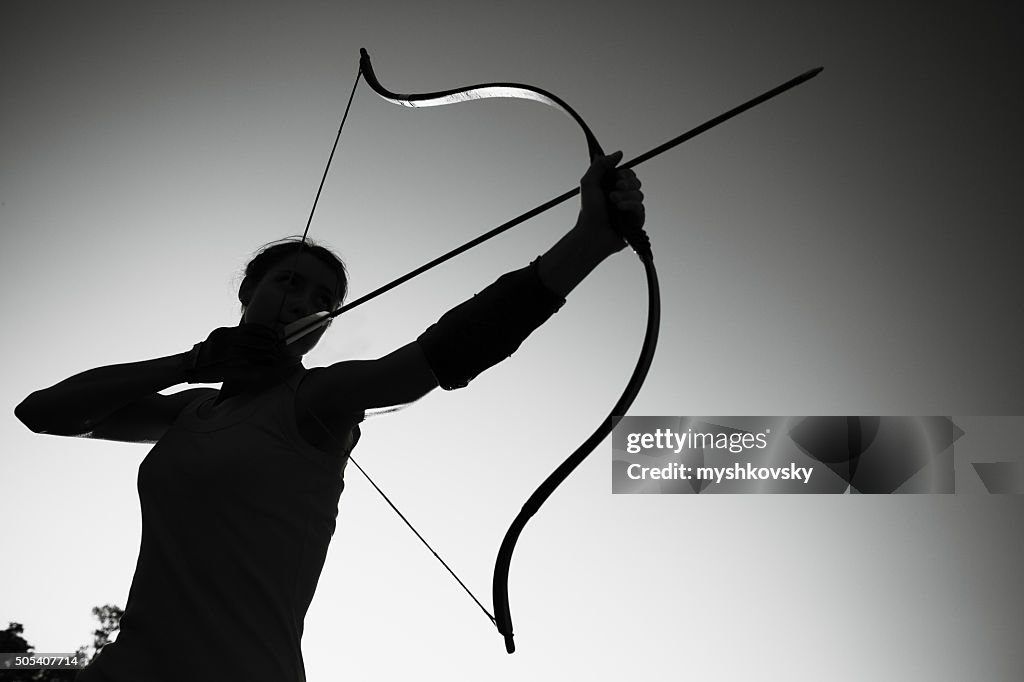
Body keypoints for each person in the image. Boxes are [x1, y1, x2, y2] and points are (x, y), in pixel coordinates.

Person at [16, 152, 644, 681]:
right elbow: (43, 413)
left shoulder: (319, 399)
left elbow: (433, 359)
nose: (304, 302)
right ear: (247, 292)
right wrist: (192, 360)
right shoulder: (191, 408)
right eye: (287, 282)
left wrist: (588, 242)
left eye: (325, 300)